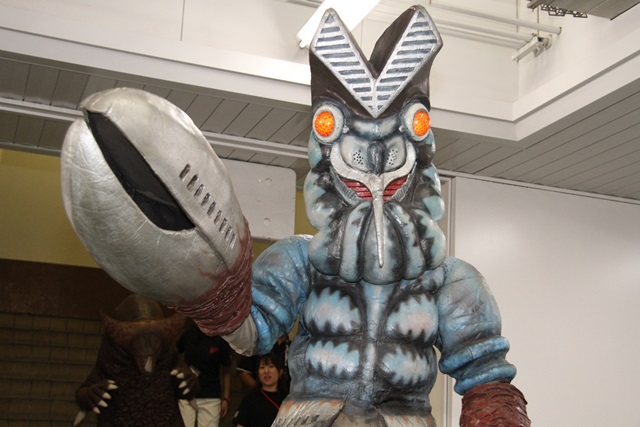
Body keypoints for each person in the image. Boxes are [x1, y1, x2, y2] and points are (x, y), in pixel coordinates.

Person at [177, 321, 232, 427]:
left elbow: (226, 369)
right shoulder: (189, 332)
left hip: (210, 394)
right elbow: (175, 353)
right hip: (187, 392)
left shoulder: (221, 337)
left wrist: (226, 398)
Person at [233, 353, 287, 427]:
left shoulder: (288, 399)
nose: (266, 371)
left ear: (280, 372)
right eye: (262, 367)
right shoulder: (250, 399)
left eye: (271, 366)